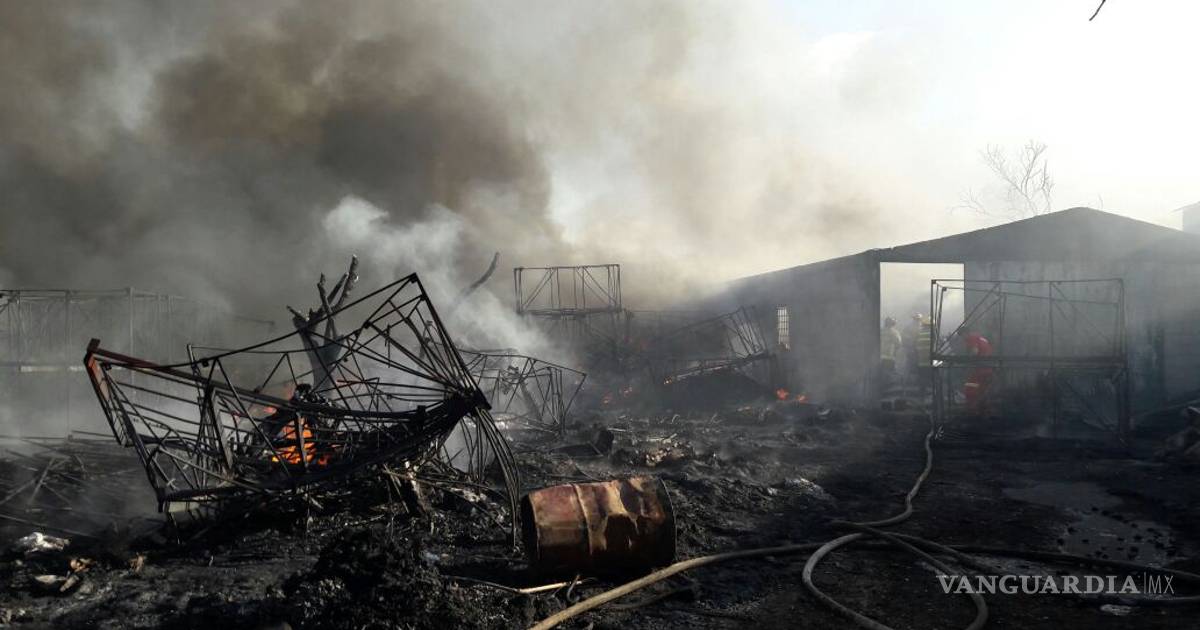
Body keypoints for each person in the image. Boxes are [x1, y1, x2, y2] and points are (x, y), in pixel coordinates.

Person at [960, 331, 993, 414]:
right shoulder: (980, 338)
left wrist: (967, 361)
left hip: (981, 369)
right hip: (988, 368)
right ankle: (983, 410)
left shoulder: (971, 338)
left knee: (970, 387)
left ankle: (972, 409)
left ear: (965, 333)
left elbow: (974, 351)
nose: (962, 338)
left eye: (962, 336)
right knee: (982, 389)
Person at [880, 316, 902, 390]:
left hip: (879, 356)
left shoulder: (880, 331)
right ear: (892, 324)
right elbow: (899, 343)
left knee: (882, 371)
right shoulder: (894, 332)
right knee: (889, 371)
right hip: (889, 356)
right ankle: (887, 387)